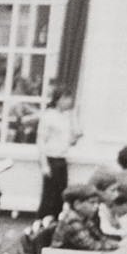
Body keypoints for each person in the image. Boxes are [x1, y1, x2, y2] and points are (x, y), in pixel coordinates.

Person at [36, 88, 81, 221]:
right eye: (67, 98)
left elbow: (73, 139)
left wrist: (74, 117)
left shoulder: (66, 117)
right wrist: (44, 165)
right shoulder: (48, 116)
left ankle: (56, 221)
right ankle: (42, 222)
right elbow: (41, 141)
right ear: (59, 99)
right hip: (51, 159)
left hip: (62, 159)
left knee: (61, 194)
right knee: (49, 195)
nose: (70, 101)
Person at [54, 183, 122, 251]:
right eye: (92, 202)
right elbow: (91, 246)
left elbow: (99, 237)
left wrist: (117, 243)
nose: (96, 206)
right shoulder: (72, 221)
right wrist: (118, 245)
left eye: (97, 203)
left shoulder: (85, 217)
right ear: (77, 204)